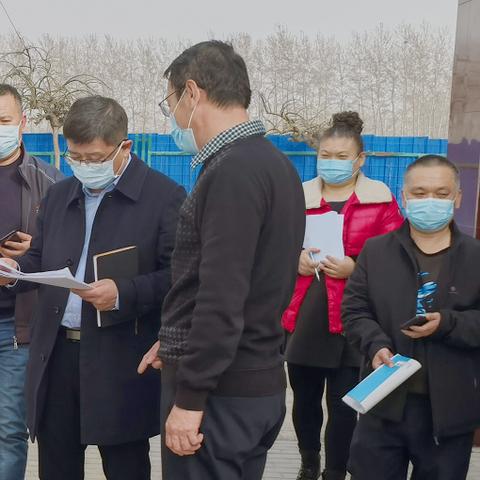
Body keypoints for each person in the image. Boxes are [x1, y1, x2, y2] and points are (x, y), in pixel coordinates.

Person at [138, 40, 305, 480]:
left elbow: (222, 296)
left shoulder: (232, 171)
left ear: (192, 93)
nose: (173, 117)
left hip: (220, 397)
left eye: (171, 102)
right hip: (255, 380)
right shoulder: (275, 164)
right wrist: (175, 340)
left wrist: (190, 398)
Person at [0, 95, 186, 480]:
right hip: (56, 352)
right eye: (76, 157)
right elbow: (42, 258)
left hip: (120, 356)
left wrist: (123, 293)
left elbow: (178, 277)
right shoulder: (59, 194)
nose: (85, 166)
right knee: (57, 465)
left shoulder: (163, 197)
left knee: (124, 465)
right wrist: (15, 270)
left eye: (95, 158)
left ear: (125, 147)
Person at [342, 155, 480, 480]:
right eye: (419, 193)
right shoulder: (376, 251)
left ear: (458, 198)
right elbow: (354, 311)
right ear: (404, 197)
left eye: (441, 193)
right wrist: (375, 344)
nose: (429, 201)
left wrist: (447, 324)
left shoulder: (475, 256)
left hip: (449, 411)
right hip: (383, 402)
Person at [282, 111, 404, 480]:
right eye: (325, 155)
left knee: (344, 404)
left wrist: (356, 267)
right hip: (307, 312)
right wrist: (294, 259)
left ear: (359, 159)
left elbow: (397, 253)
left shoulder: (379, 200)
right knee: (305, 399)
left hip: (354, 315)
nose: (332, 162)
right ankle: (309, 461)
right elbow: (273, 244)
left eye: (341, 156)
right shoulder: (298, 196)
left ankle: (336, 471)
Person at [0, 83, 63, 480]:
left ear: (22, 122)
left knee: (9, 430)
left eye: (3, 120)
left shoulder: (50, 181)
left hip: (17, 328)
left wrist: (36, 251)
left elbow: (72, 251)